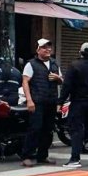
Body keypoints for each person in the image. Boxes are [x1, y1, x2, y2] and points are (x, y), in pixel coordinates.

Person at [20, 38, 62, 168]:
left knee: (48, 129)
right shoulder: (31, 64)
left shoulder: (54, 64)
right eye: (44, 47)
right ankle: (26, 156)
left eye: (49, 47)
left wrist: (58, 78)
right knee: (35, 128)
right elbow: (25, 82)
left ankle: (42, 156)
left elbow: (61, 81)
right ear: (38, 50)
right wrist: (29, 100)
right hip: (37, 102)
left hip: (51, 101)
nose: (48, 49)